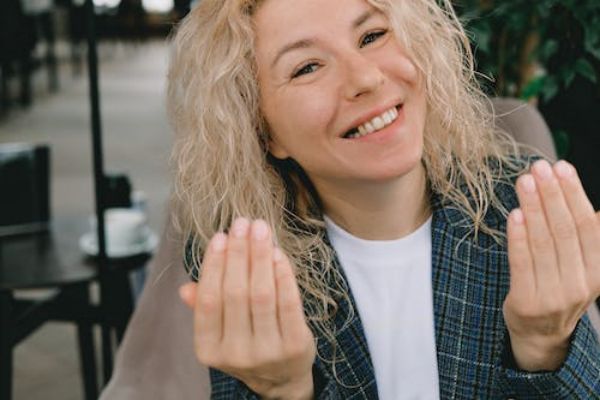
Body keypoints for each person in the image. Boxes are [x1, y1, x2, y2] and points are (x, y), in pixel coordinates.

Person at [167, 0, 600, 398]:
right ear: (263, 130)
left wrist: (544, 345)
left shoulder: (524, 206)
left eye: (372, 36)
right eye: (307, 67)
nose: (366, 78)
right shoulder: (243, 263)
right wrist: (285, 391)